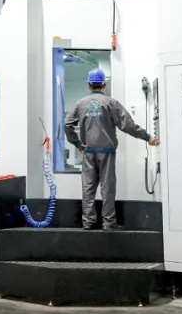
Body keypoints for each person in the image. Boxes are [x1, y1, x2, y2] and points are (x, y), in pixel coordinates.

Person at [64, 68, 158, 231]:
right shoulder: (111, 103)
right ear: (104, 85)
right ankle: (108, 223)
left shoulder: (80, 104)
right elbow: (127, 125)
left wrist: (77, 143)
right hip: (106, 152)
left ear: (88, 85)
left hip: (88, 151)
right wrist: (147, 137)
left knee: (88, 187)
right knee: (107, 187)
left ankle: (88, 222)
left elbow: (67, 124)